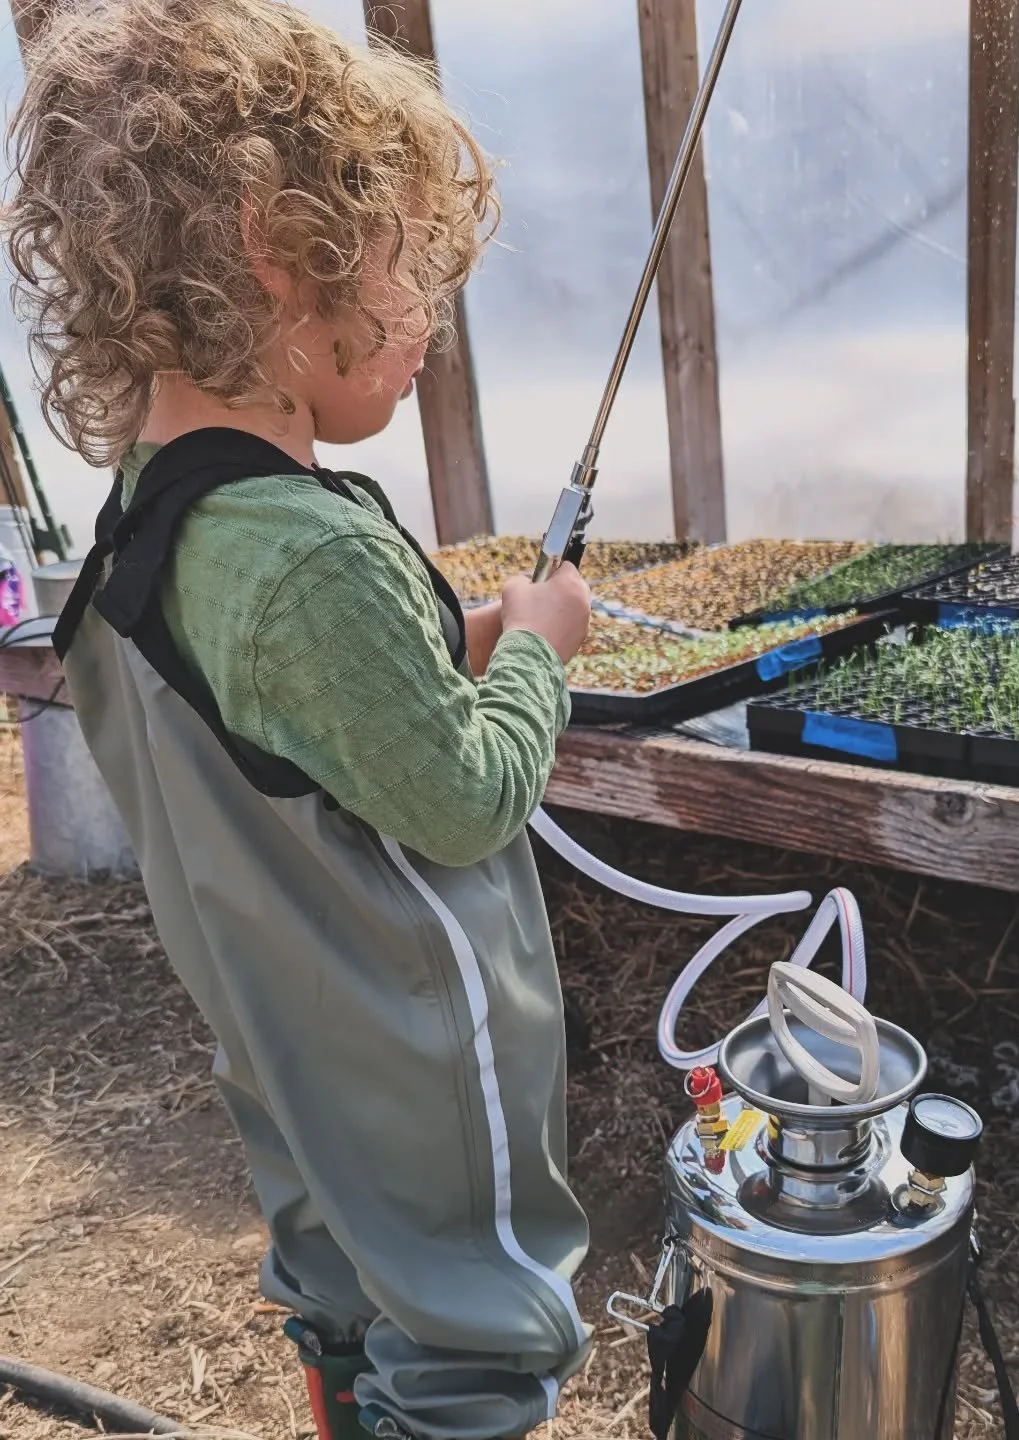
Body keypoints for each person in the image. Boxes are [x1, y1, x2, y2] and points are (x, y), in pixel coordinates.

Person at [4, 3, 594, 1437]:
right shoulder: (311, 550)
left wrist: (455, 632)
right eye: (404, 263)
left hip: (281, 1049)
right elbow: (463, 796)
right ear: (281, 251)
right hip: (408, 1067)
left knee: (341, 1295)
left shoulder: (155, 520)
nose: (429, 322)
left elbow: (257, 702)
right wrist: (544, 654)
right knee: (473, 1352)